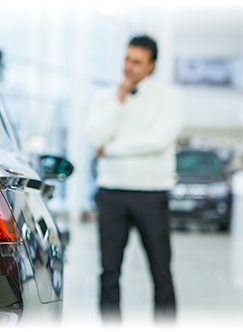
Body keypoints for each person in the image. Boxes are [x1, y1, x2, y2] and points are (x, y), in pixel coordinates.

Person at [85, 35, 183, 325]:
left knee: (161, 273)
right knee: (109, 272)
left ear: (151, 65)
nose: (129, 67)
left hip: (151, 194)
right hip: (111, 193)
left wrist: (111, 150)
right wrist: (119, 98)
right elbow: (93, 137)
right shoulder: (105, 97)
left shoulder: (170, 97)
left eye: (137, 62)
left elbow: (158, 141)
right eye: (127, 59)